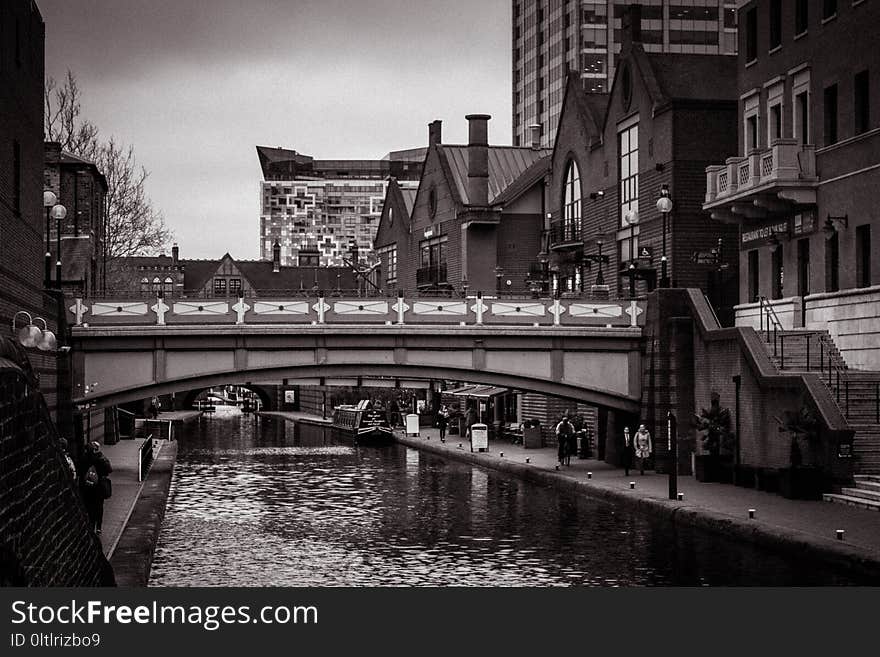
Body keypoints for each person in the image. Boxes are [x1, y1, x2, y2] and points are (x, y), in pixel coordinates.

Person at [79, 441, 113, 535]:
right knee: (99, 507)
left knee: (89, 506)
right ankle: (98, 527)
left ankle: (90, 525)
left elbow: (80, 471)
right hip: (99, 487)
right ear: (96, 449)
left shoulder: (84, 458)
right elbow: (109, 469)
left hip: (87, 486)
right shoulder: (100, 458)